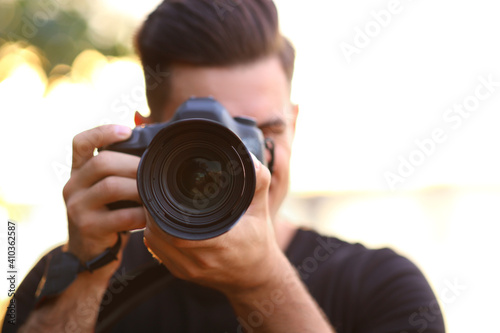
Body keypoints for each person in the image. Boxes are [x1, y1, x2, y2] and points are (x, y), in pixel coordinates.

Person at [4, 0, 446, 332]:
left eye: (261, 134)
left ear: (292, 124)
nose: (243, 167)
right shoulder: (69, 274)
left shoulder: (380, 286)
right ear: (145, 136)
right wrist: (87, 269)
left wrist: (264, 283)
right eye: (205, 140)